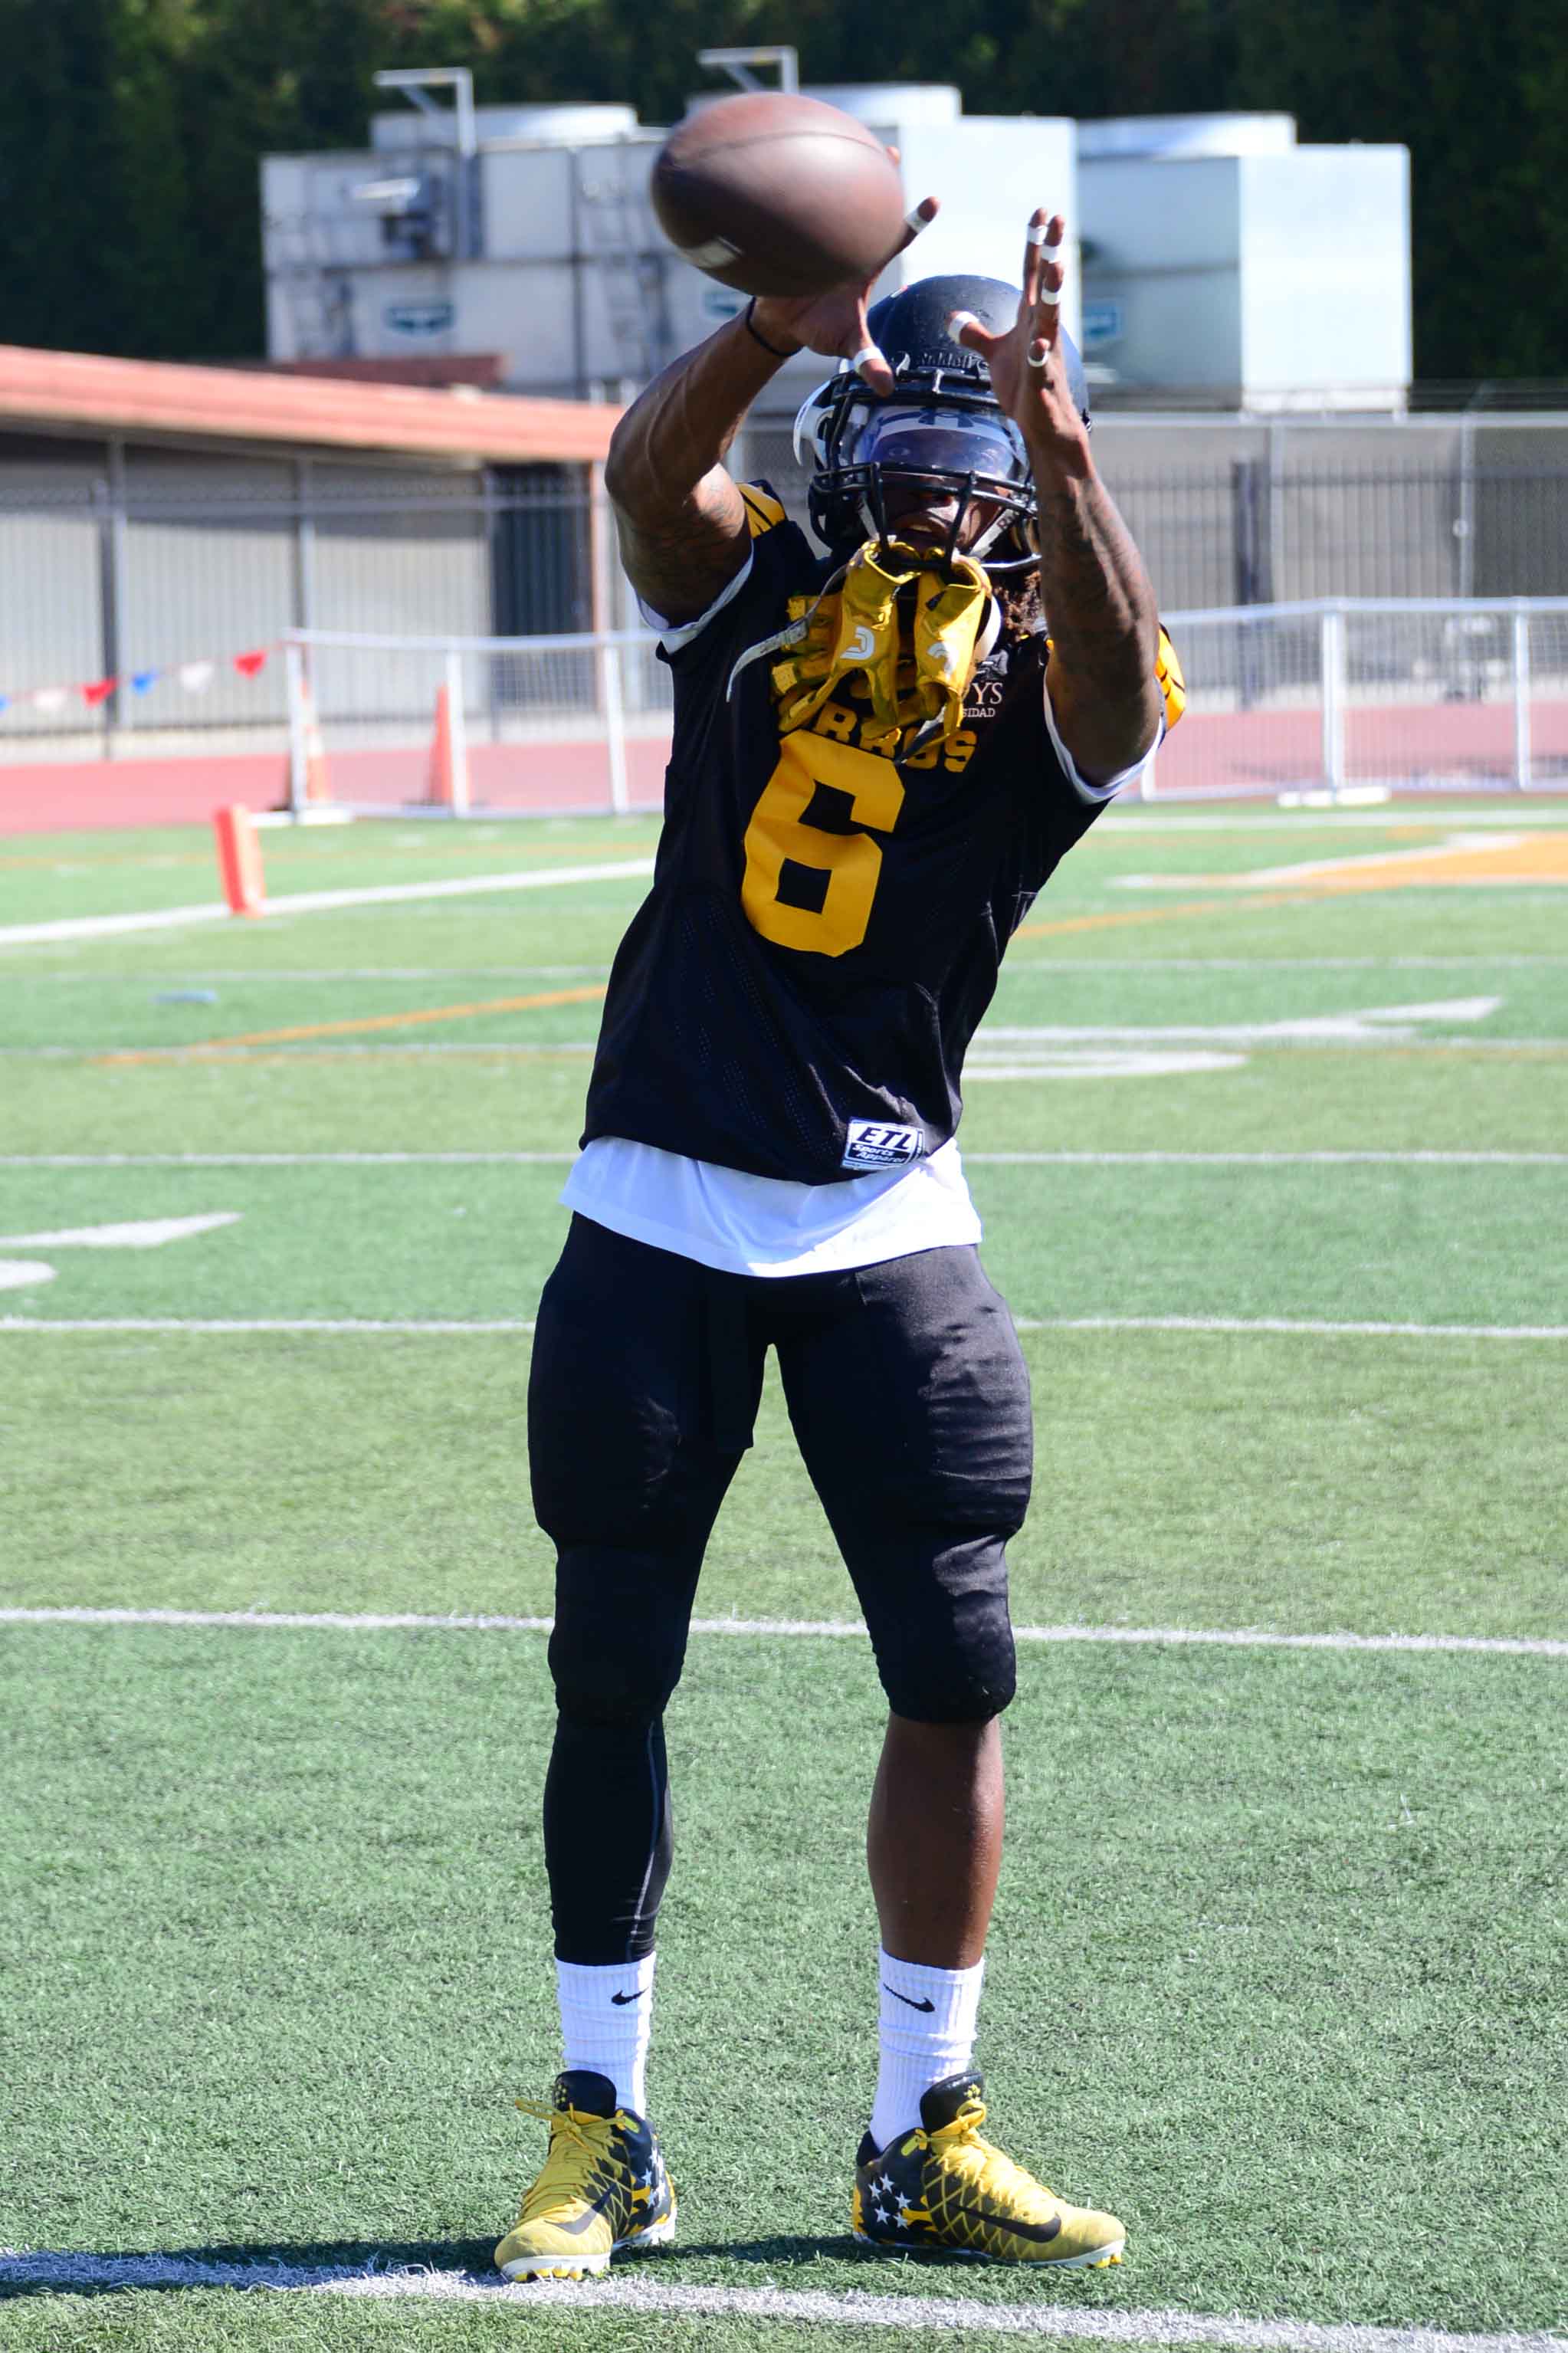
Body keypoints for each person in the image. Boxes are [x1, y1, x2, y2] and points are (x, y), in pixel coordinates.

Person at [495, 197, 1184, 2282]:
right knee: (609, 1669)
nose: (941, 501)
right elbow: (645, 482)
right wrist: (769, 324)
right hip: (657, 1200)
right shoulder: (760, 590)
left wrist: (1065, 446)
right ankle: (601, 2125)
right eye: (913, 453)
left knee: (957, 1670)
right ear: (841, 447)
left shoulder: (1058, 675)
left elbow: (1123, 699)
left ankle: (922, 2125)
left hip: (892, 1214)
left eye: (987, 469)